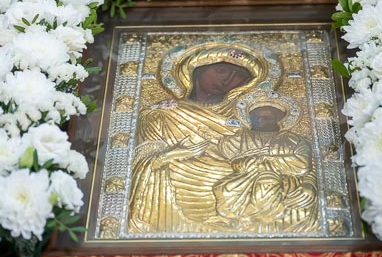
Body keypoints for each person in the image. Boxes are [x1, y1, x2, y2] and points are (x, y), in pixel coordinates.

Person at [127, 42, 271, 234]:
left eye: (239, 76)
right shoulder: (160, 114)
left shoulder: (247, 120)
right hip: (175, 194)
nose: (228, 80)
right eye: (221, 70)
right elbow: (143, 162)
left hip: (232, 197)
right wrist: (174, 154)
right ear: (196, 69)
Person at [210, 95, 319, 234]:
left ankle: (266, 227)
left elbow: (304, 164)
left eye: (267, 117)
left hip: (284, 180)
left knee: (267, 185)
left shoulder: (294, 140)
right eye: (257, 117)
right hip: (245, 179)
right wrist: (247, 164)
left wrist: (266, 160)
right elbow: (235, 162)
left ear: (278, 119)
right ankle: (242, 226)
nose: (261, 120)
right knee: (225, 189)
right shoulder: (238, 139)